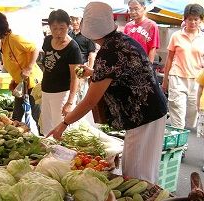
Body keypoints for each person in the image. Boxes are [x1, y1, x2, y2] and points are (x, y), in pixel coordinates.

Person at [48, 2, 167, 183]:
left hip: (143, 114)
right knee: (141, 169)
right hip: (149, 110)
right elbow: (120, 73)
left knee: (137, 176)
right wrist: (92, 73)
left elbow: (90, 101)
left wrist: (64, 123)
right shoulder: (122, 40)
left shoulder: (108, 52)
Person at [0, 12, 43, 124]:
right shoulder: (3, 42)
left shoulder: (15, 39)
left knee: (37, 117)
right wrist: (14, 79)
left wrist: (29, 68)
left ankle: (45, 139)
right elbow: (14, 62)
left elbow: (35, 49)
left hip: (33, 83)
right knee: (16, 117)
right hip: (21, 83)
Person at [162, 4, 204, 129]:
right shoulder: (176, 36)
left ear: (201, 20)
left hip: (196, 80)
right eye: (190, 19)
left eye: (196, 19)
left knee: (192, 113)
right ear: (184, 19)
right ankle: (179, 140)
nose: (193, 22)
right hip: (177, 77)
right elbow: (169, 58)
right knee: (177, 110)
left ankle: (183, 133)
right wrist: (165, 80)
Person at [41, 9, 83, 136]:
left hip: (61, 94)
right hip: (46, 91)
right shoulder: (47, 40)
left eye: (62, 28)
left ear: (68, 27)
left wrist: (70, 102)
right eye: (54, 28)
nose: (58, 32)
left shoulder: (73, 48)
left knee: (60, 131)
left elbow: (75, 77)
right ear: (49, 27)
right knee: (47, 127)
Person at [68, 13, 97, 102]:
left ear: (82, 20)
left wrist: (89, 69)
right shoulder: (69, 34)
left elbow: (91, 54)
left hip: (81, 66)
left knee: (80, 91)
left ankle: (80, 112)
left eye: (77, 19)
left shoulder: (88, 35)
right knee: (71, 89)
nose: (75, 22)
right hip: (70, 66)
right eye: (73, 20)